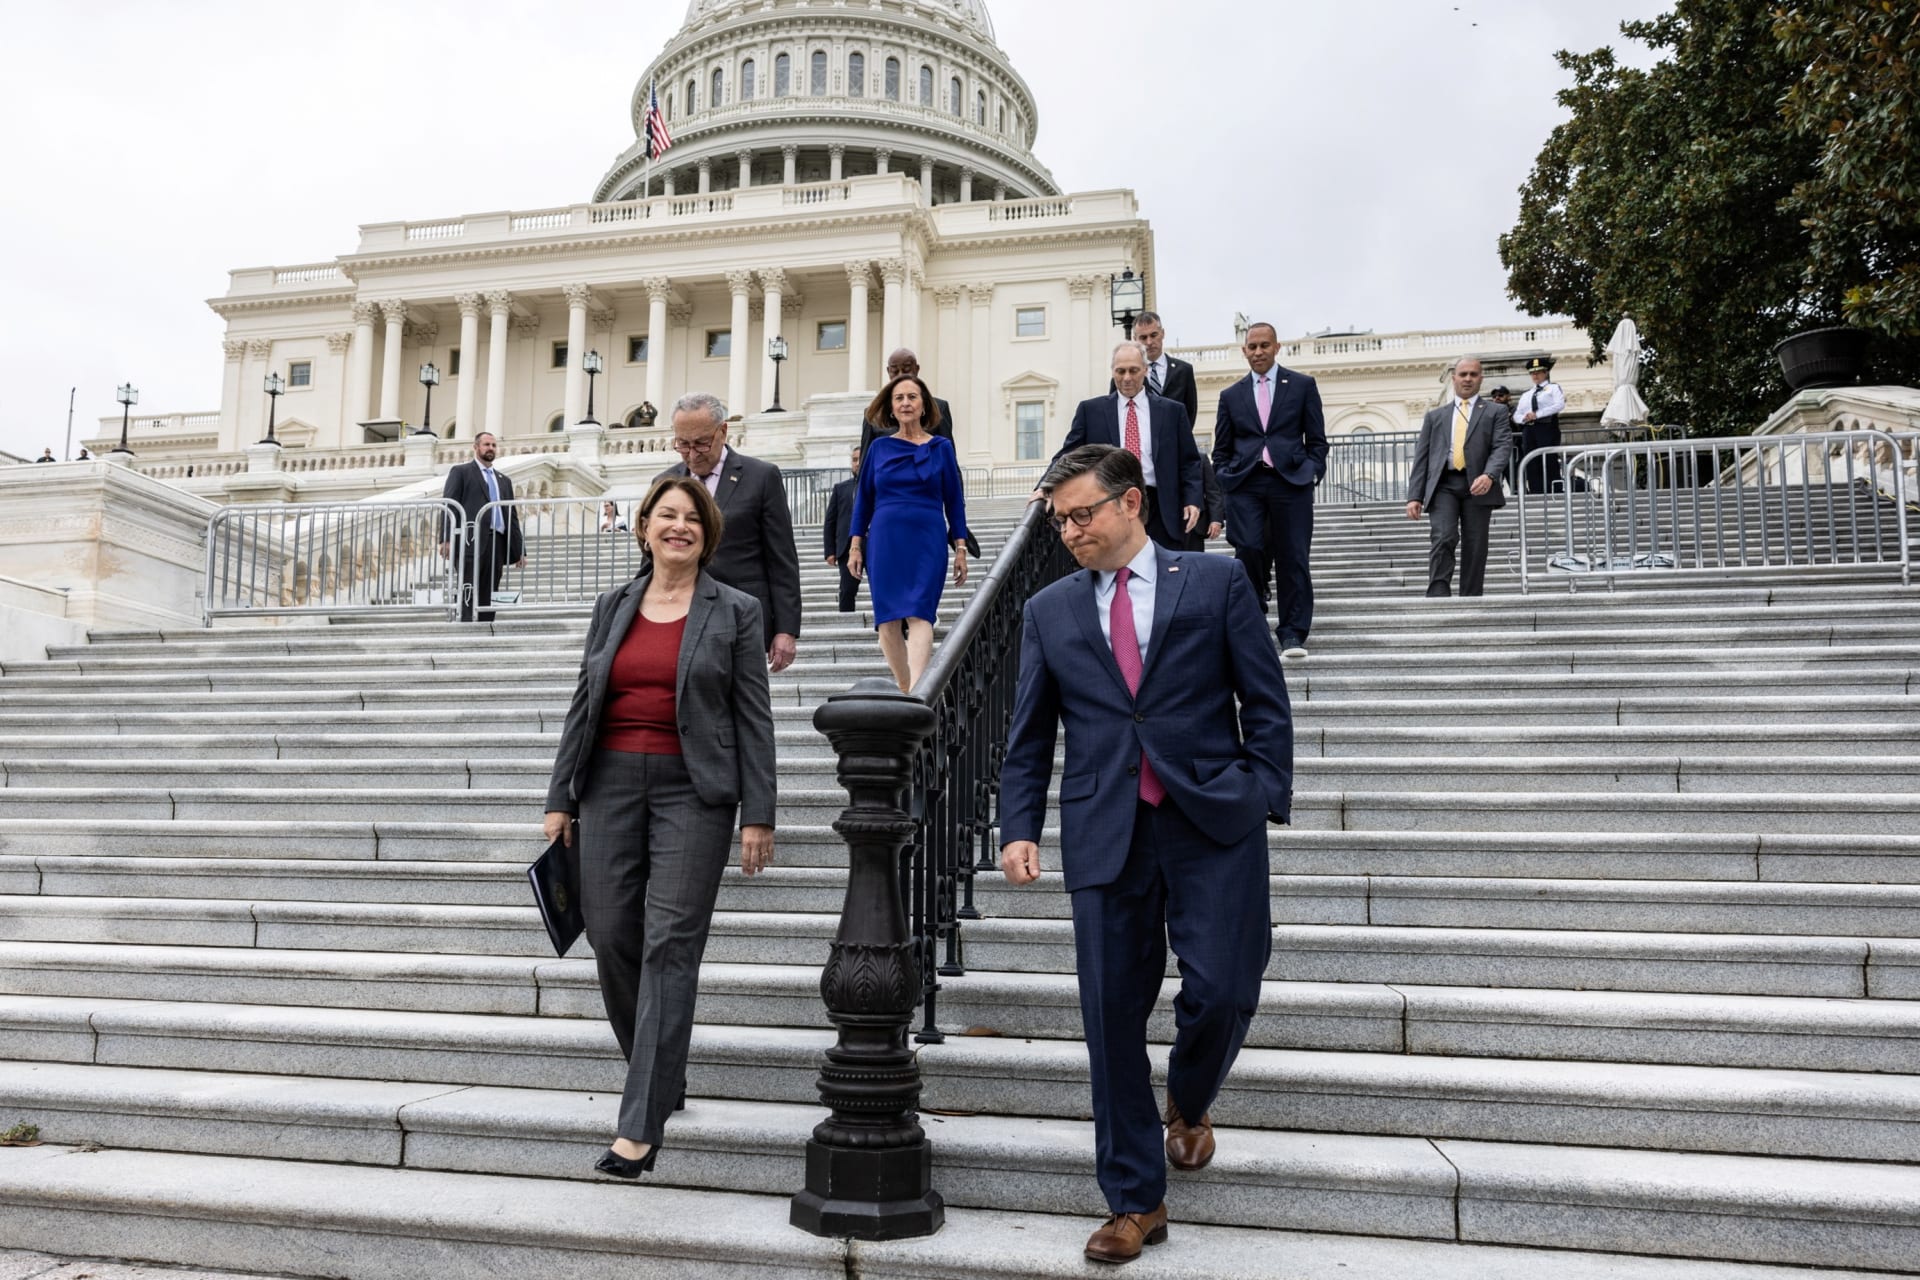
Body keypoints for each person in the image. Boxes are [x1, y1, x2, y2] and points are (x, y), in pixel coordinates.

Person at [998, 444, 1292, 1266]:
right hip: (1104, 828)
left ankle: (1190, 1101)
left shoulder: (1216, 582)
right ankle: (1134, 1201)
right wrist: (1017, 826)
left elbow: (1263, 697)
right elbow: (1027, 738)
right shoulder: (1049, 610)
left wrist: (1263, 790)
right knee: (1110, 1021)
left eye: (1082, 513)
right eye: (1059, 520)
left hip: (1210, 819)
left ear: (1131, 503)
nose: (1069, 531)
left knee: (1227, 987)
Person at [542, 474, 778, 1182]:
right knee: (613, 935)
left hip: (694, 793)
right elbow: (584, 700)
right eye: (666, 516)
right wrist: (561, 795)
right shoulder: (612, 605)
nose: (679, 527)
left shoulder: (735, 610)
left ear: (707, 535)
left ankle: (639, 1126)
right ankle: (662, 1073)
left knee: (670, 945)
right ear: (643, 526)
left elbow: (752, 716)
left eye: (692, 520)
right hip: (608, 786)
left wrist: (758, 813)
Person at [652, 393, 802, 674]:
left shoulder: (762, 476)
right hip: (680, 615)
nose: (692, 453)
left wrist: (786, 629)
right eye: (682, 444)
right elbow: (653, 559)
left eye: (701, 443)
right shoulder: (664, 483)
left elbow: (782, 559)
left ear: (722, 431)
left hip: (741, 617)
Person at [847, 374, 969, 692]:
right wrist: (855, 545)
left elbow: (954, 500)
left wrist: (960, 548)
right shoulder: (878, 449)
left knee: (920, 613)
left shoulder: (941, 448)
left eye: (912, 397)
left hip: (927, 537)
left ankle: (918, 693)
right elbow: (863, 499)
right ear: (890, 406)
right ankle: (905, 688)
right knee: (886, 622)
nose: (905, 403)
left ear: (924, 405)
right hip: (885, 538)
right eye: (899, 398)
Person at [1212, 322, 1326, 660]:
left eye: (1264, 345)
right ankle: (1253, 613)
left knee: (1293, 557)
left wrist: (1311, 472)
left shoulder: (1303, 386)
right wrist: (1225, 475)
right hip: (1245, 483)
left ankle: (1292, 633)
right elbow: (1222, 448)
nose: (1258, 352)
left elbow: (1317, 441)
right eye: (1252, 346)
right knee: (1247, 547)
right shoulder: (1230, 396)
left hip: (1291, 483)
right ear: (1244, 350)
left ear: (1277, 347)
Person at [1058, 342, 1202, 551]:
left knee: (1164, 574)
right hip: (1113, 504)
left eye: (1133, 370)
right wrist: (1044, 487)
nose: (1127, 378)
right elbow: (1068, 455)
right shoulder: (1090, 412)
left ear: (1145, 369)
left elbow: (1189, 461)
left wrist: (1193, 499)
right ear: (1112, 372)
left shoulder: (1173, 412)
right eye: (1120, 371)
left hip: (1161, 508)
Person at [858, 348, 982, 560]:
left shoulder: (938, 408)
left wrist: (958, 526)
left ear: (917, 370)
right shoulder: (874, 413)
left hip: (925, 514)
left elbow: (951, 470)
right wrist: (860, 530)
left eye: (906, 370)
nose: (900, 376)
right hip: (887, 521)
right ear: (887, 372)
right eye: (894, 372)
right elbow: (864, 477)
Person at [1407, 357, 1512, 598]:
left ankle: (1471, 598)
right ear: (1453, 378)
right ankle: (1438, 596)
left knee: (1476, 546)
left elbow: (1502, 446)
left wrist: (1489, 474)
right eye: (1463, 374)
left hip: (1479, 486)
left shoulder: (1496, 411)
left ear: (1481, 379)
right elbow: (1422, 457)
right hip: (1444, 485)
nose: (1467, 379)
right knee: (1443, 536)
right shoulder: (1435, 416)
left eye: (1473, 374)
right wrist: (1414, 496)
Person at [438, 432, 526, 622]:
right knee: (467, 583)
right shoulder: (461, 472)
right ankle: (464, 623)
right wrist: (445, 538)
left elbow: (512, 517)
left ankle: (486, 625)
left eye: (494, 445)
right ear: (476, 447)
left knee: (491, 586)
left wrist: (520, 550)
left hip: (498, 542)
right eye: (486, 445)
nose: (490, 449)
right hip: (470, 540)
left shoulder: (504, 480)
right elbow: (448, 505)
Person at [1517, 357, 1566, 494]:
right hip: (1529, 428)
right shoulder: (1526, 394)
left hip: (1546, 426)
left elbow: (1559, 405)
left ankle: (1554, 489)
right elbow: (1517, 414)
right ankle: (1536, 490)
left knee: (1549, 458)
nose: (1535, 375)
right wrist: (1524, 418)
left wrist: (1538, 414)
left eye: (1538, 372)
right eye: (1532, 373)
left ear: (1545, 372)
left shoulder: (1553, 388)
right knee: (1531, 460)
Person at [822, 445, 862, 613]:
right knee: (847, 590)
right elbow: (830, 521)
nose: (857, 463)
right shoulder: (840, 489)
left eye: (860, 459)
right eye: (854, 460)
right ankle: (847, 620)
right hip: (846, 548)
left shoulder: (879, 487)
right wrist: (829, 551)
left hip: (874, 544)